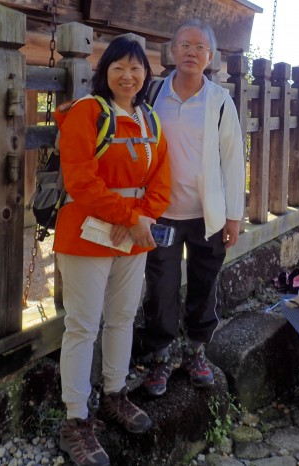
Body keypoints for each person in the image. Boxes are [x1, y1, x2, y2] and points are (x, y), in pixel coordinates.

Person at [54, 36, 171, 466]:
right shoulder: (88, 112)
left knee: (122, 317)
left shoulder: (149, 121)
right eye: (119, 67)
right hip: (88, 233)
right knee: (83, 326)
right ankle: (75, 419)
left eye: (137, 68)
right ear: (105, 71)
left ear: (146, 76)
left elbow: (161, 179)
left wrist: (140, 220)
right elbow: (81, 181)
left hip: (132, 236)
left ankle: (115, 393)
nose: (129, 75)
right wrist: (129, 218)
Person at [138, 19, 245, 397]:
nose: (191, 52)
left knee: (204, 282)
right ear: (172, 51)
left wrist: (234, 214)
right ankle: (160, 357)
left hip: (207, 215)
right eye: (185, 45)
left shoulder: (219, 101)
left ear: (210, 57)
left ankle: (196, 351)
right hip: (162, 213)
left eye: (200, 47)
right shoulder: (152, 94)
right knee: (161, 286)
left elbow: (233, 160)